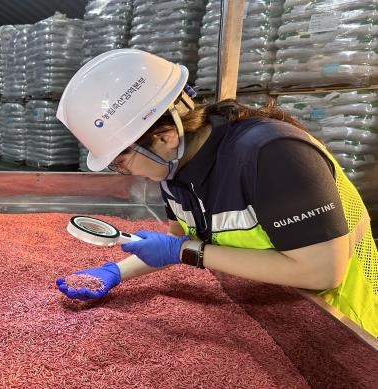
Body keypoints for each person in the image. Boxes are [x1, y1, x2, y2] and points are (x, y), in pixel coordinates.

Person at [54, 49, 378, 336]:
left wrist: (184, 252)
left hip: (342, 324)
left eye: (120, 160)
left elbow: (322, 272)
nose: (123, 172)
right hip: (271, 314)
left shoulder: (273, 154)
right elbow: (177, 242)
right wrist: (116, 272)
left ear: (164, 137)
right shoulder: (173, 169)